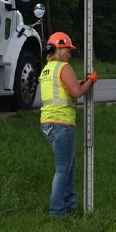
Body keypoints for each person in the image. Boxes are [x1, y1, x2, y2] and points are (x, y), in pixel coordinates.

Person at [39, 32, 97, 216]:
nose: (70, 54)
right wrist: (91, 81)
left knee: (68, 166)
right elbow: (78, 92)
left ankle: (70, 205)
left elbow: (66, 88)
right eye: (68, 50)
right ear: (61, 49)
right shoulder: (64, 67)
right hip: (62, 123)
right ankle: (57, 211)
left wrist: (81, 83)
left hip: (48, 122)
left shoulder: (47, 69)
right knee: (63, 168)